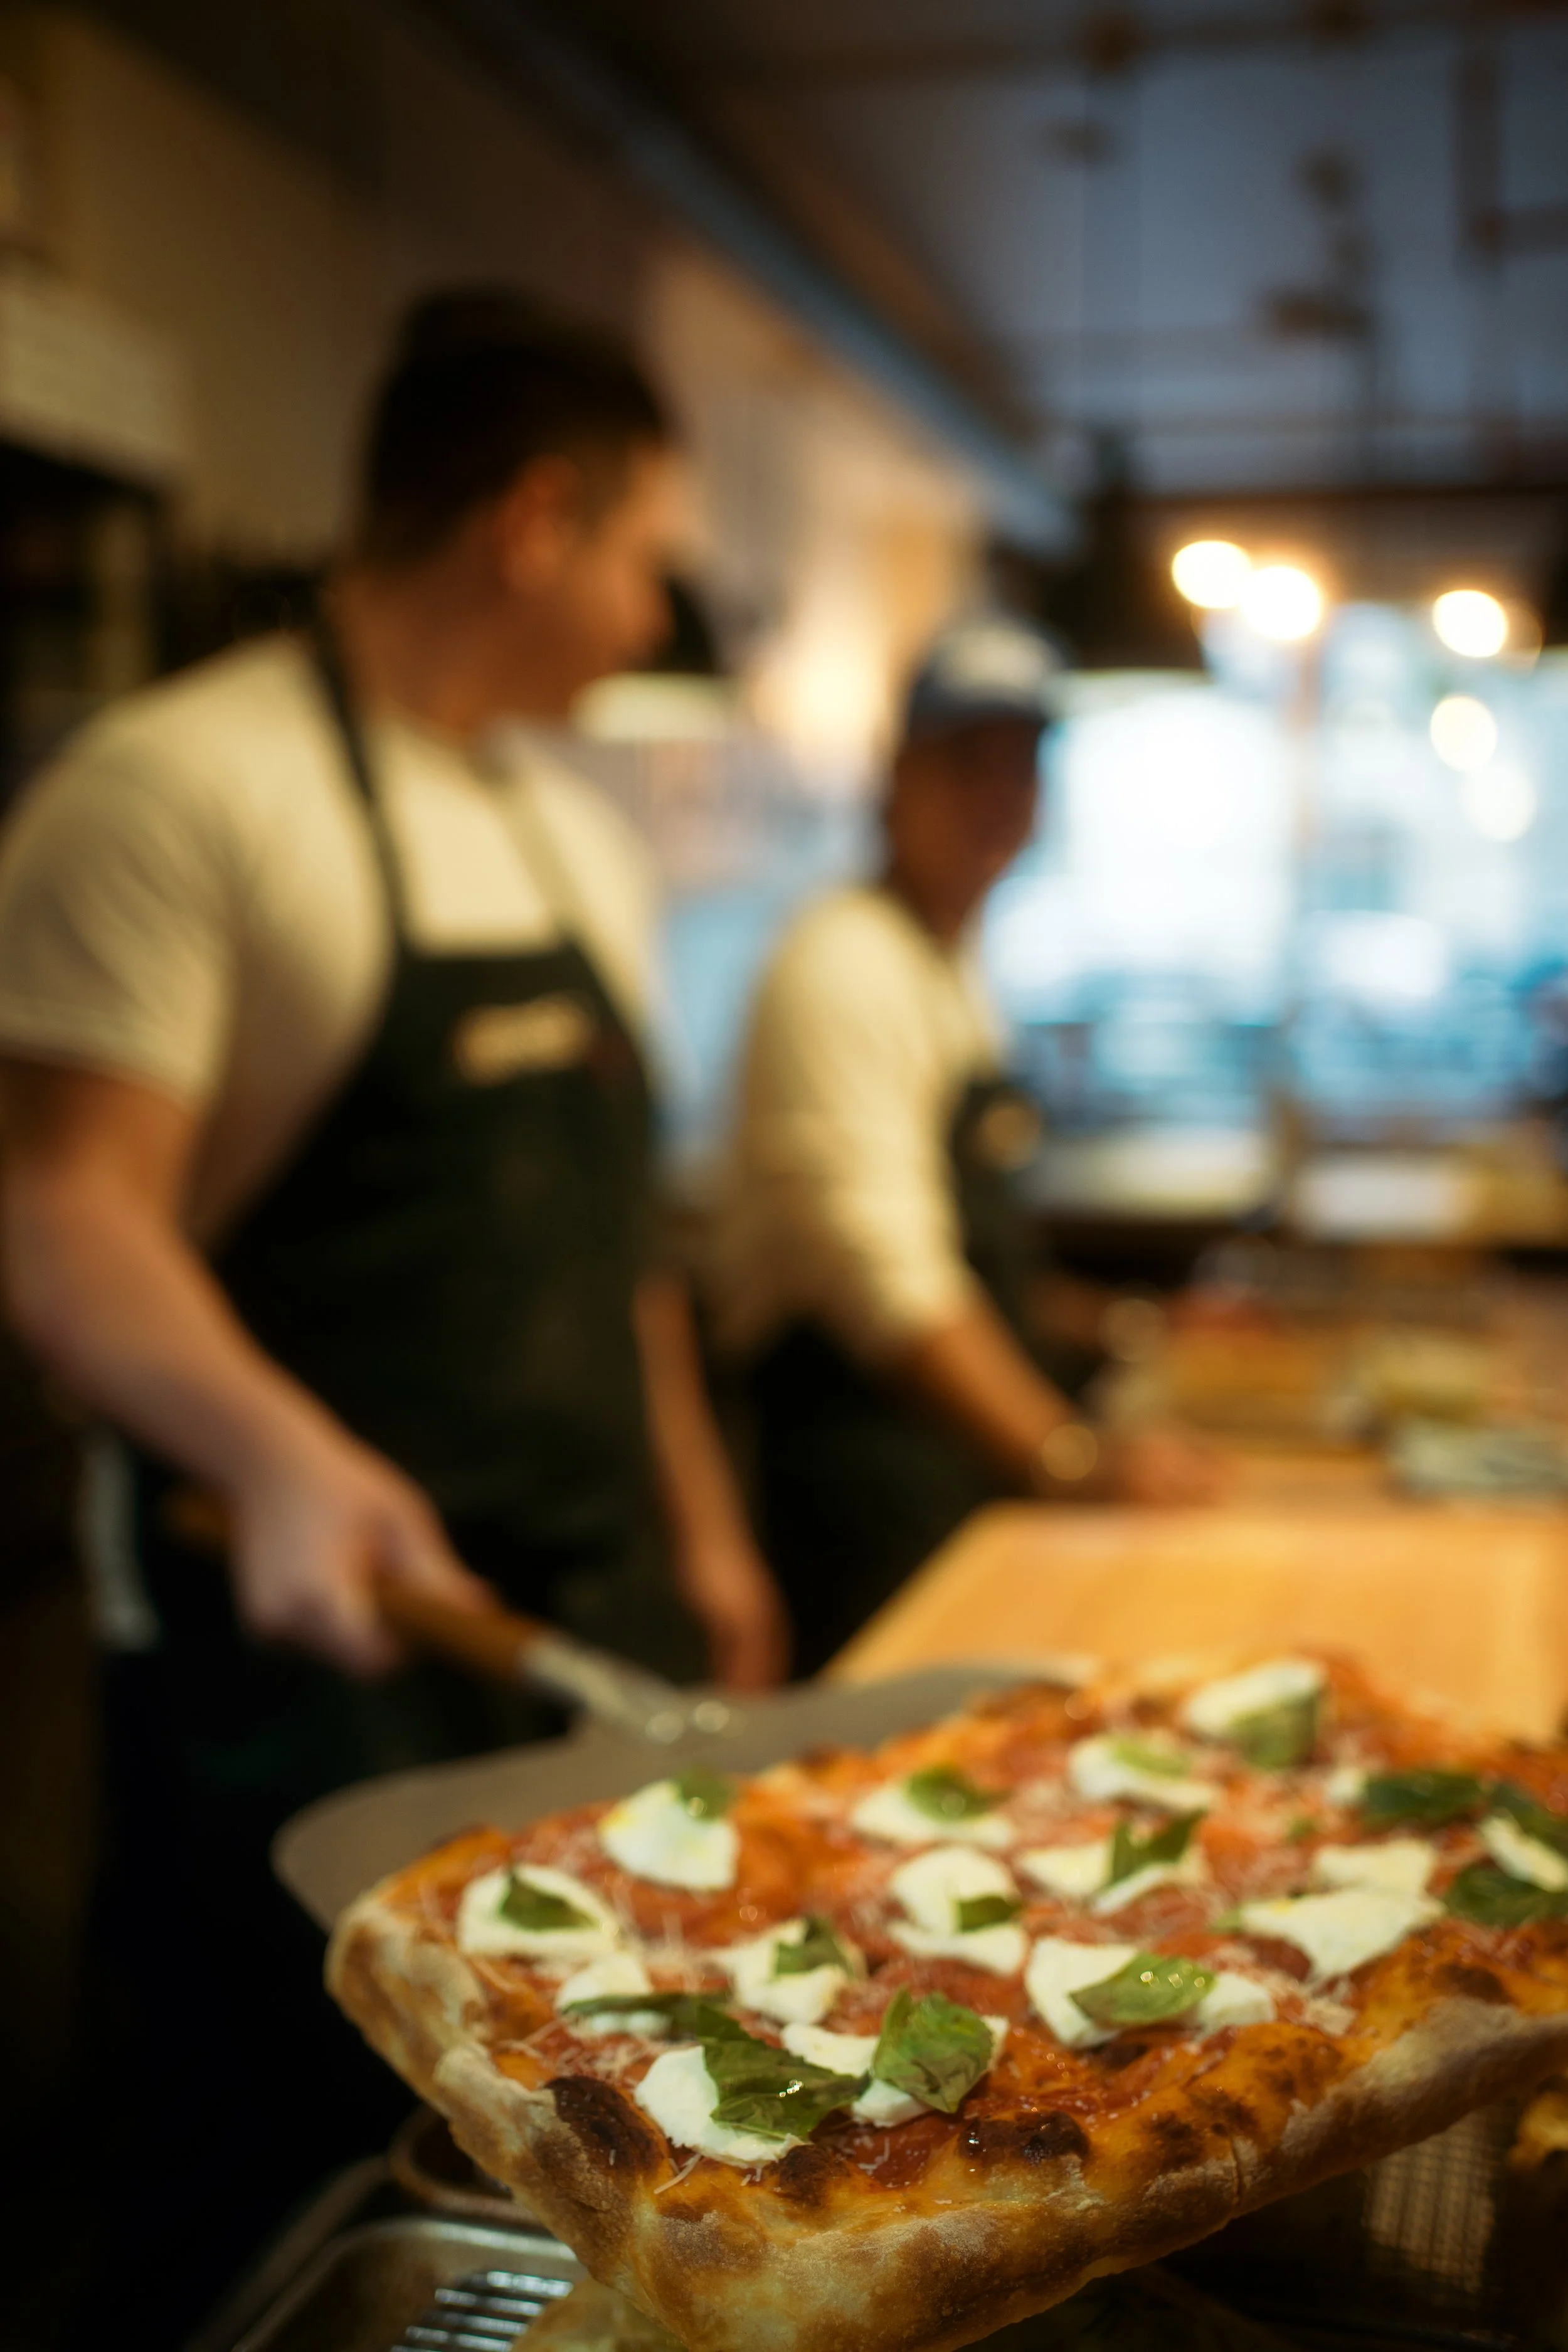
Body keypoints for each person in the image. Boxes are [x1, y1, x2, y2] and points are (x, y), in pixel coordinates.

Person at [0, 289, 785, 2341]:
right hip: (312, 1646)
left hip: (578, 1634)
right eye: (642, 554)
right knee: (271, 2173)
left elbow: (625, 1267)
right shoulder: (179, 790)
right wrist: (277, 1453)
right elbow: (63, 1212)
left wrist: (700, 1539)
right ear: (535, 518)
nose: (649, 613)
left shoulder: (564, 828)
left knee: (607, 2163)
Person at [711, 616, 1224, 1675]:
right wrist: (1071, 1458)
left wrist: (1127, 1323)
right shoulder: (841, 964)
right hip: (865, 1499)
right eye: (966, 764)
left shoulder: (946, 962)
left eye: (1021, 769)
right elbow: (893, 1288)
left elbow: (976, 1262)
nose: (997, 799)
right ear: (894, 777)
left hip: (956, 1483)